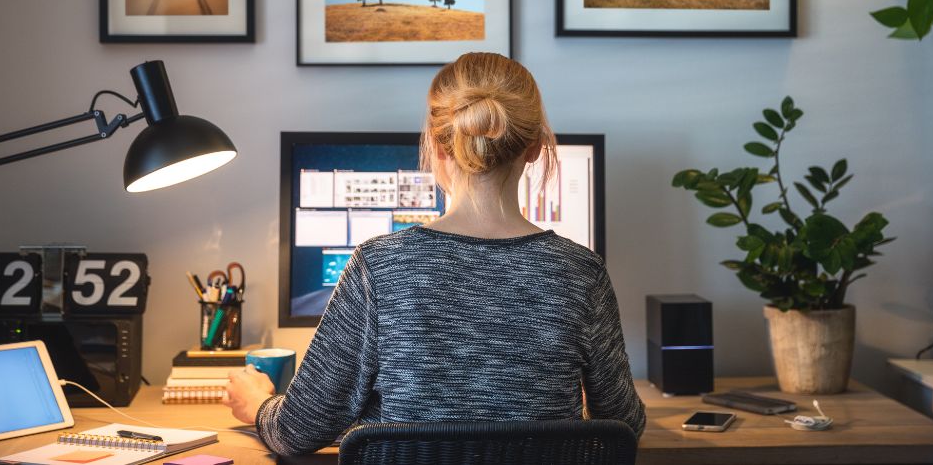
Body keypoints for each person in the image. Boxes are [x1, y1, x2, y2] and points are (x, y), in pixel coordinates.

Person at [224, 52, 646, 455]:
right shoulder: (581, 272)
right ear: (535, 147)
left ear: (439, 147)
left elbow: (298, 431)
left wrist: (259, 404)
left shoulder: (378, 267)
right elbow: (624, 424)